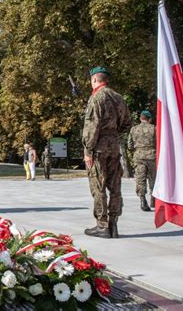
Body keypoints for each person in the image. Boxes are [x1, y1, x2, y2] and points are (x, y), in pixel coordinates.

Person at [82, 66, 131, 239]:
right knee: (115, 186)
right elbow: (127, 123)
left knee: (98, 185)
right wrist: (114, 135)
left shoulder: (97, 97)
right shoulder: (118, 97)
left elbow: (92, 127)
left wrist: (88, 150)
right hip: (114, 146)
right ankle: (114, 224)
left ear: (95, 79)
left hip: (99, 147)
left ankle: (102, 226)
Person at [128, 110, 156, 212]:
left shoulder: (134, 129)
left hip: (139, 156)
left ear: (140, 118)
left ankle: (142, 200)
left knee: (140, 179)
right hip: (152, 156)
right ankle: (154, 199)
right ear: (150, 119)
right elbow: (158, 142)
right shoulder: (154, 128)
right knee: (153, 178)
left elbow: (130, 145)